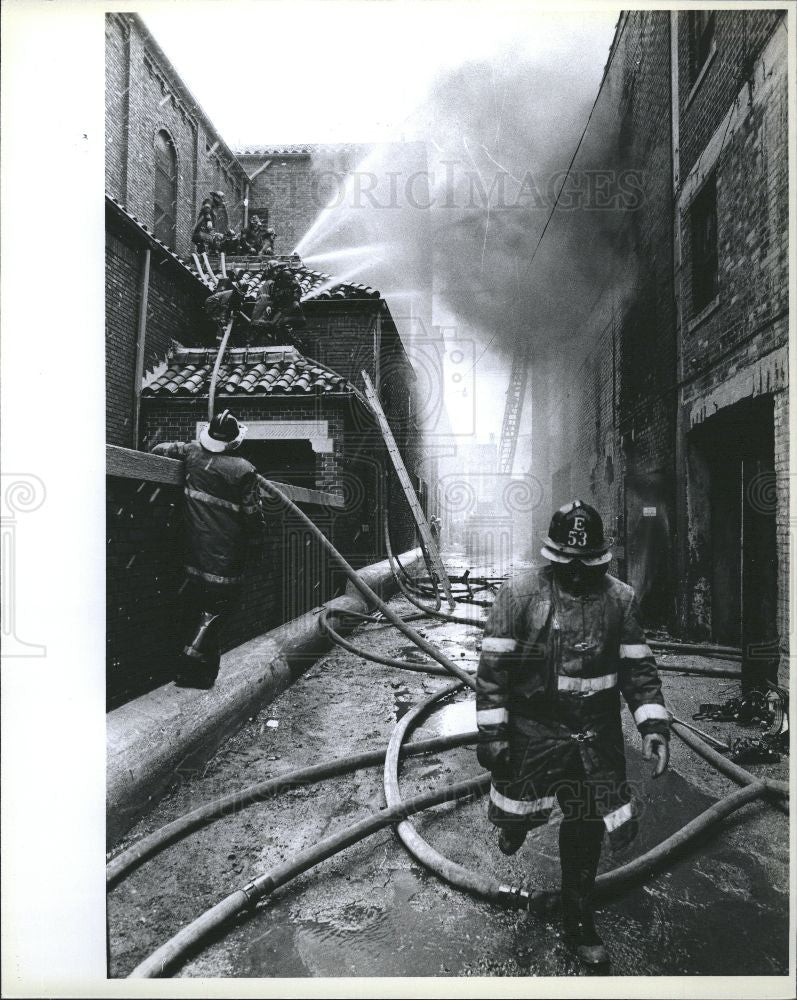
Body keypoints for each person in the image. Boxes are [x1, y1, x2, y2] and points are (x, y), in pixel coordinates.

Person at [475, 499, 670, 967]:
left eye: (588, 563)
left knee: (584, 828)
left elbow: (638, 669)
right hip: (532, 735)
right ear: (552, 556)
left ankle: (578, 921)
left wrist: (654, 725)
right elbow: (493, 670)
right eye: (569, 562)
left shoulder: (620, 599)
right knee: (516, 808)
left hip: (593, 741)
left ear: (602, 557)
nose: (578, 572)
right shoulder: (519, 595)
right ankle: (514, 826)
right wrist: (493, 735)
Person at [151, 410, 266, 688]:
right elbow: (253, 520)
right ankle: (192, 669)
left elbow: (158, 449)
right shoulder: (245, 470)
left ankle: (190, 670)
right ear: (234, 442)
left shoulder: (191, 454)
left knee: (197, 611)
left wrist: (192, 449)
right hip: (224, 563)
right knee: (215, 616)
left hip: (191, 556)